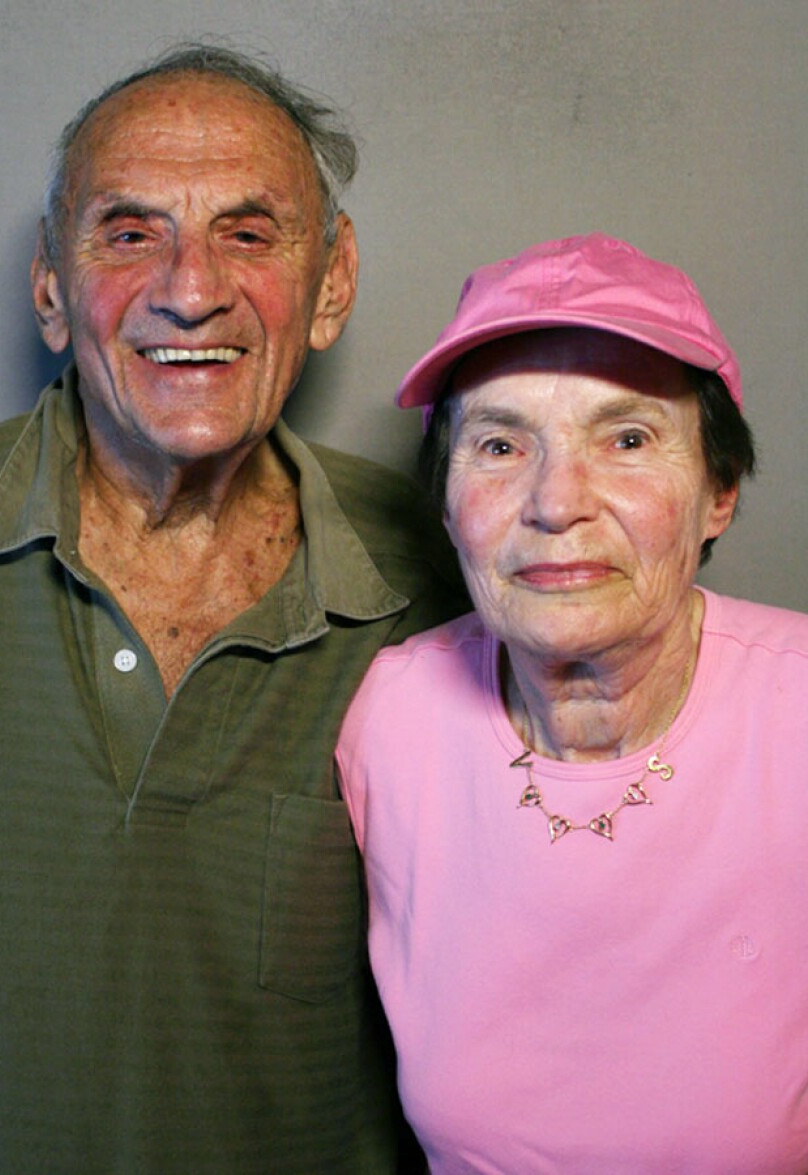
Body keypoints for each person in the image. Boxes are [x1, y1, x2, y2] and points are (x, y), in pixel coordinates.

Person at [0, 43, 466, 1173]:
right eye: (129, 232)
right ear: (49, 288)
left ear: (332, 285)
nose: (188, 286)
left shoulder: (455, 564)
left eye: (249, 232)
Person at [336, 233, 808, 1174]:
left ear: (718, 491)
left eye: (627, 439)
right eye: (501, 444)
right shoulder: (392, 719)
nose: (557, 501)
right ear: (446, 504)